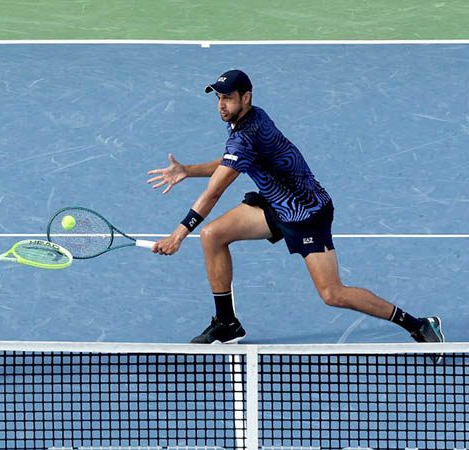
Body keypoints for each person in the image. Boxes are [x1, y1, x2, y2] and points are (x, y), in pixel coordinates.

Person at [147, 70, 444, 356]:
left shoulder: (248, 135)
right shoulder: (246, 120)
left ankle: (418, 324)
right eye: (218, 97)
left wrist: (179, 234)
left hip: (307, 214)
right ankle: (227, 323)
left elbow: (215, 191)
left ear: (246, 97)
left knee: (332, 294)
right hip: (277, 205)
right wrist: (188, 170)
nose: (221, 104)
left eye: (227, 97)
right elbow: (231, 161)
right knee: (212, 235)